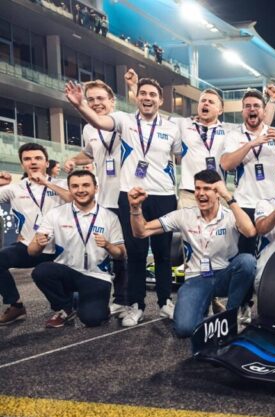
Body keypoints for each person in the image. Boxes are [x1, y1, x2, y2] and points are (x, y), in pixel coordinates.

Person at [65, 77, 182, 327]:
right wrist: (79, 105)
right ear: (136, 97)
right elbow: (99, 121)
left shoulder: (172, 128)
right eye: (143, 94)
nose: (148, 98)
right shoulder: (123, 121)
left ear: (160, 100)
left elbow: (180, 156)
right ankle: (136, 305)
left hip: (164, 195)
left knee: (163, 255)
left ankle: (164, 302)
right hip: (130, 194)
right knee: (136, 255)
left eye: (153, 94)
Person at [128, 170, 257, 338]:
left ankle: (230, 317)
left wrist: (229, 197)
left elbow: (250, 231)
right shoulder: (184, 215)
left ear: (217, 192)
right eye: (197, 189)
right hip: (197, 278)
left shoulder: (230, 216)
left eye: (207, 189)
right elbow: (142, 231)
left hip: (224, 275)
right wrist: (135, 208)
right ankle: (202, 309)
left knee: (247, 262)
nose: (201, 193)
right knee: (184, 329)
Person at [63, 79, 127, 317]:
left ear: (112, 101)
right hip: (103, 199)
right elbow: (89, 153)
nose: (96, 103)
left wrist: (131, 86)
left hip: (124, 196)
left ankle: (123, 298)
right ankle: (98, 292)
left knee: (123, 252)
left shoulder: (123, 121)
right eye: (91, 100)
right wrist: (73, 159)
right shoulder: (88, 129)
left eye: (101, 98)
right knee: (101, 248)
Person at [29, 170, 125, 328]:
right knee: (41, 271)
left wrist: (108, 245)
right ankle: (65, 308)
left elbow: (121, 254)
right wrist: (39, 243)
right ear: (69, 189)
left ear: (96, 188)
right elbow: (31, 251)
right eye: (75, 186)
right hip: (67, 272)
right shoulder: (55, 214)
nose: (80, 190)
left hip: (97, 277)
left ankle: (91, 305)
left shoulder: (110, 217)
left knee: (92, 319)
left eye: (86, 185)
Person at [220, 89, 275, 254]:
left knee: (272, 253)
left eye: (256, 105)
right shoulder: (234, 135)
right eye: (247, 106)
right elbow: (226, 164)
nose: (252, 109)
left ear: (264, 111)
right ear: (242, 111)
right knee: (245, 256)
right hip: (245, 204)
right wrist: (251, 144)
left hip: (271, 204)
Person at [0, 143, 72, 325]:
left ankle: (63, 308)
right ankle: (15, 305)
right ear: (22, 164)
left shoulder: (62, 184)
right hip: (29, 247)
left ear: (46, 163)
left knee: (44, 275)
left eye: (38, 158)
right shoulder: (14, 189)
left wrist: (46, 182)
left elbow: (75, 199)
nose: (33, 162)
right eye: (27, 159)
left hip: (61, 249)